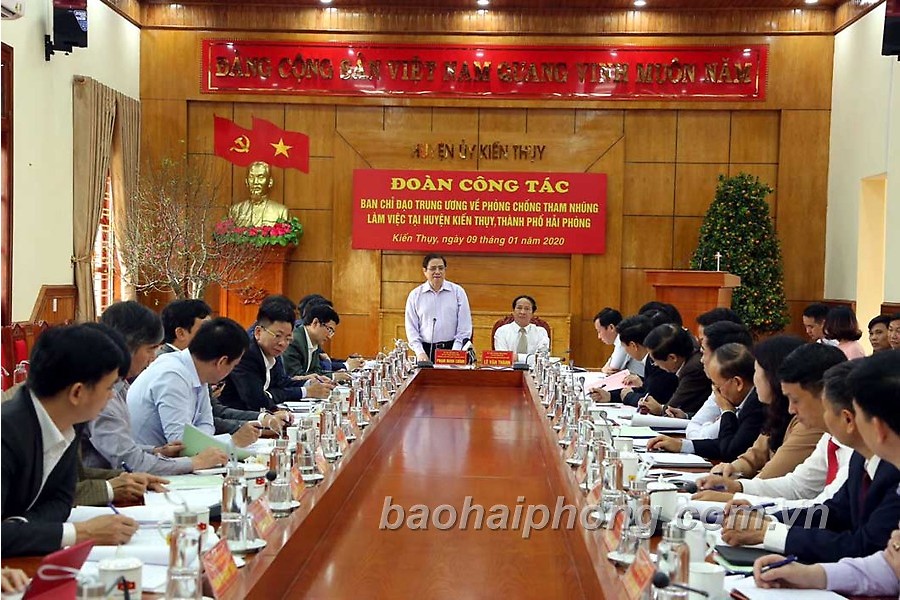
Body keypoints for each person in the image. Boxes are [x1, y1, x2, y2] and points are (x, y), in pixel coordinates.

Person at [722, 352, 900, 564]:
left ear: (849, 419)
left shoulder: (890, 471)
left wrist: (769, 532)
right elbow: (831, 512)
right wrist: (767, 520)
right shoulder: (861, 460)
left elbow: (865, 546)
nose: (791, 409)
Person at [2, 325, 139, 556]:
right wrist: (80, 533)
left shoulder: (71, 420)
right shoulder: (7, 432)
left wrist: (18, 527)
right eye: (108, 387)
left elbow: (61, 502)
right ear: (77, 393)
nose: (112, 395)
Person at [696, 347, 854, 507]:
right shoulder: (830, 438)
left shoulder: (843, 442)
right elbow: (798, 486)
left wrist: (741, 500)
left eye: (796, 400)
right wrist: (736, 487)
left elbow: (824, 510)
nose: (791, 409)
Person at [708, 342, 842, 480]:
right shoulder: (777, 411)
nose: (753, 380)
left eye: (756, 372)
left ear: (772, 377)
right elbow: (755, 456)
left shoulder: (809, 422)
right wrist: (732, 468)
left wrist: (734, 486)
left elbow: (771, 476)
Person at [161, 298, 290, 435]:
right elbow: (182, 435)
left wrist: (262, 419)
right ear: (180, 333)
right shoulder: (171, 370)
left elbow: (210, 417)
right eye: (204, 330)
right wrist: (252, 428)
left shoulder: (194, 364)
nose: (210, 336)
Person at [127, 317, 248, 449]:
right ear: (222, 362)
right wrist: (231, 442)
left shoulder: (198, 371)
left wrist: (205, 443)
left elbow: (207, 424)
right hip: (146, 458)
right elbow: (180, 442)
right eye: (234, 365)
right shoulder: (172, 375)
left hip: (171, 458)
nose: (232, 370)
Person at [647, 343, 765, 461]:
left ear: (737, 383)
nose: (716, 392)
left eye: (717, 385)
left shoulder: (757, 407)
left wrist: (727, 411)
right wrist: (681, 445)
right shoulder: (745, 399)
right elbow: (723, 444)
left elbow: (731, 451)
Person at [220, 296, 323, 412]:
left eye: (288, 338)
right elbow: (256, 400)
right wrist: (305, 392)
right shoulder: (245, 353)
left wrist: (308, 383)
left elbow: (281, 382)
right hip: (239, 417)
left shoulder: (272, 351)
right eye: (277, 336)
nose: (282, 343)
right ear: (258, 332)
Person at [679, 321, 753, 440]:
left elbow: (726, 445)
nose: (701, 360)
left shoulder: (752, 400)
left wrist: (725, 414)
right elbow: (693, 427)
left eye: (703, 352)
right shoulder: (721, 385)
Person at [593, 314, 678, 407]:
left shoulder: (658, 362)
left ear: (633, 346)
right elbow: (645, 390)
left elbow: (650, 400)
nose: (625, 351)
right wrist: (609, 396)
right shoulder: (648, 360)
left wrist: (628, 396)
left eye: (624, 347)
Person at [404, 253, 473, 363]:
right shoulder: (415, 295)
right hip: (426, 350)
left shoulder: (457, 292)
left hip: (452, 348)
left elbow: (464, 327)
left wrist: (455, 352)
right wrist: (420, 352)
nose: (437, 272)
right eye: (433, 268)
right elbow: (411, 328)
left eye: (441, 268)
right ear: (424, 271)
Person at [637, 324, 710, 416]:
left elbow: (672, 408)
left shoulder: (693, 370)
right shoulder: (691, 358)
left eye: (655, 361)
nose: (655, 364)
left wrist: (660, 409)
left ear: (672, 358)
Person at [281, 303, 343, 395]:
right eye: (329, 329)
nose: (329, 336)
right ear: (315, 323)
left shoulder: (314, 342)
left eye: (332, 332)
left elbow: (315, 371)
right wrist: (332, 376)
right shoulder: (294, 340)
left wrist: (326, 378)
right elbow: (294, 375)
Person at [228, 161, 289, 227]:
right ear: (246, 181)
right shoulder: (235, 210)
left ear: (270, 182)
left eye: (260, 177)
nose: (255, 182)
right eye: (251, 177)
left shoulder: (281, 211)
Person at [493, 295, 550, 360]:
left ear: (532, 313)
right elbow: (502, 358)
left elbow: (542, 358)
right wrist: (530, 358)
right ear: (513, 311)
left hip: (533, 367)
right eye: (519, 308)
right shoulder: (502, 331)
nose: (522, 312)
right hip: (509, 367)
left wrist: (517, 357)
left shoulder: (541, 332)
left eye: (527, 309)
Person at [593, 307, 644, 376]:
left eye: (599, 331)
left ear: (611, 327)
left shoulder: (623, 339)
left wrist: (604, 369)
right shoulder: (620, 339)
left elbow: (612, 369)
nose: (599, 337)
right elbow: (608, 365)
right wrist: (604, 369)